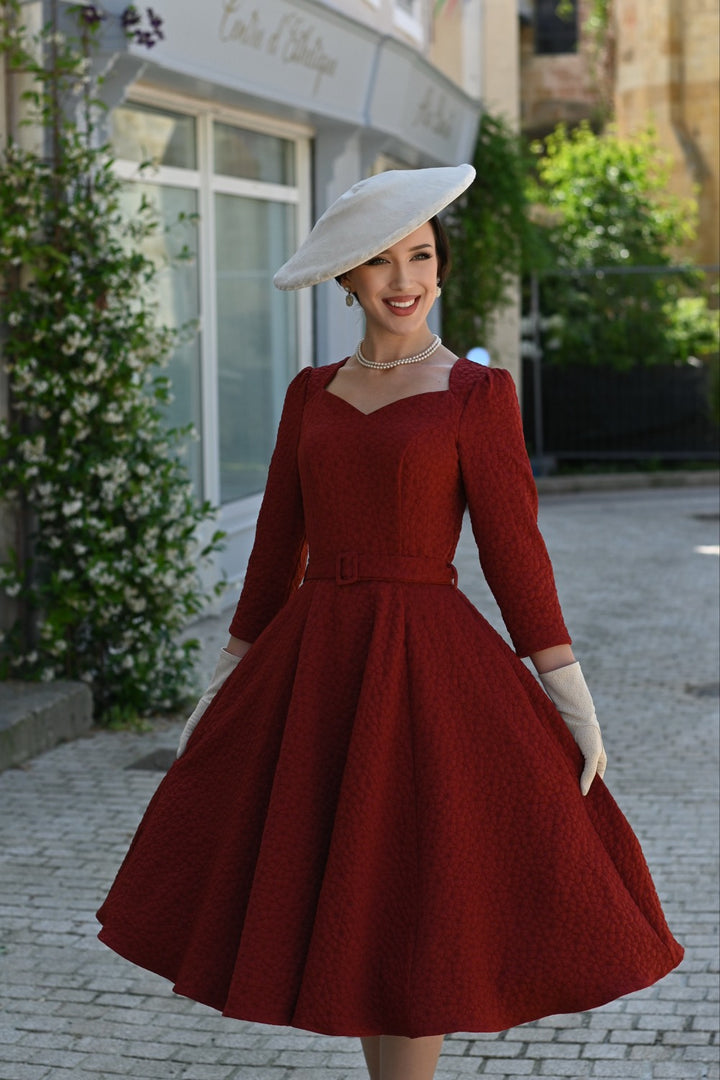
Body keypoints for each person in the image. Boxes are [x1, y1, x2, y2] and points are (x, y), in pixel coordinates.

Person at [97, 165, 683, 1080]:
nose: (404, 279)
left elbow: (514, 554)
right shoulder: (307, 394)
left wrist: (566, 692)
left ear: (441, 269)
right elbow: (273, 552)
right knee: (358, 915)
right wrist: (227, 675)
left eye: (420, 256)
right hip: (315, 668)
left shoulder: (474, 397)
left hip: (425, 671)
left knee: (411, 911)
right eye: (380, 261)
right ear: (347, 280)